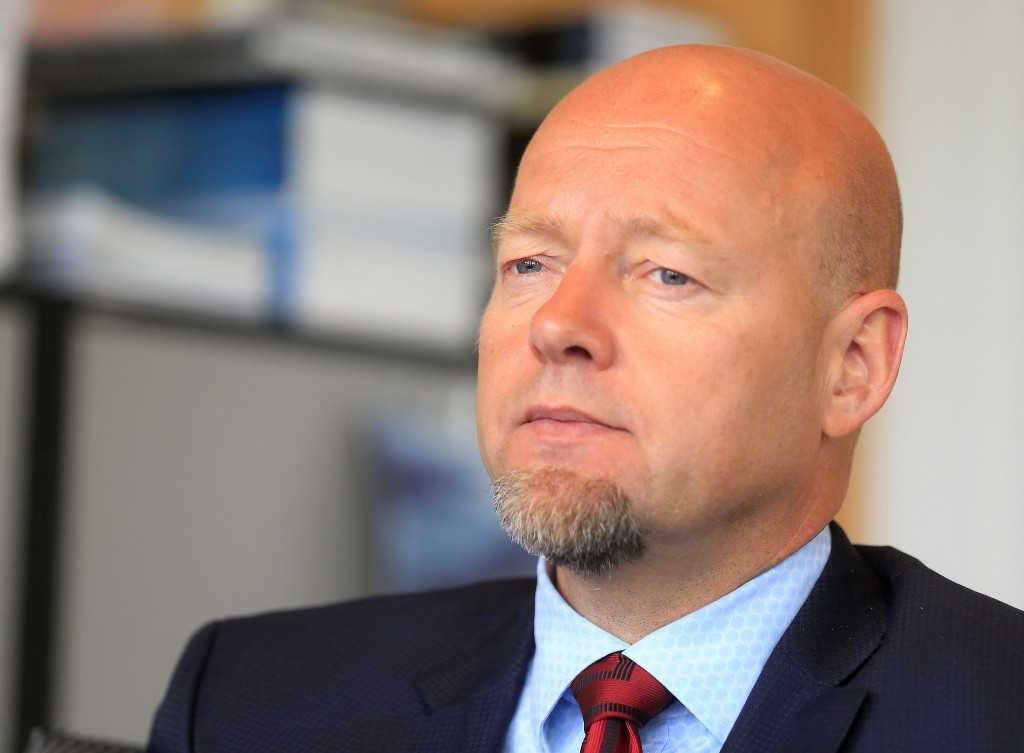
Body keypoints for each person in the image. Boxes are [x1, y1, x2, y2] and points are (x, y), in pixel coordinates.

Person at [146, 45, 1024, 753]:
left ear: (852, 366)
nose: (558, 323)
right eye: (529, 263)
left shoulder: (995, 711)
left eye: (666, 273)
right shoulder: (249, 700)